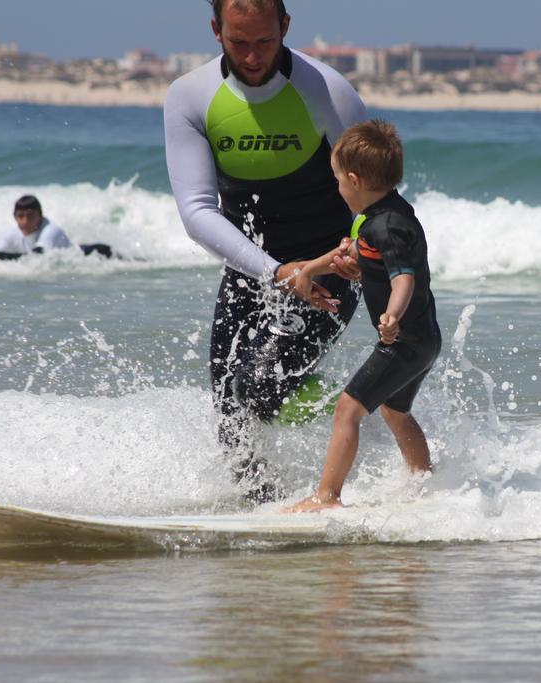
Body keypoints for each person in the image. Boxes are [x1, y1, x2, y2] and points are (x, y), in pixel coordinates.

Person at [164, 0, 368, 500]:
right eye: (238, 42)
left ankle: (337, 405)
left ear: (286, 27)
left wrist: (383, 268)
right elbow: (196, 211)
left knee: (256, 389)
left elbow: (377, 195)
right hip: (253, 268)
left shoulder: (328, 91)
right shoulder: (191, 96)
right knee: (230, 415)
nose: (253, 56)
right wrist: (274, 271)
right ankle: (261, 510)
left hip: (328, 272)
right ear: (216, 30)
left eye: (264, 42)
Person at [284, 120, 441, 512]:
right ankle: (427, 484)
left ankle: (327, 497)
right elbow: (350, 252)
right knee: (395, 410)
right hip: (423, 340)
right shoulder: (383, 213)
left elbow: (403, 277)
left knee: (347, 409)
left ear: (354, 180)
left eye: (337, 179)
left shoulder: (388, 226)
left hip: (403, 340)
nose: (336, 187)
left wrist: (391, 314)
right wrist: (306, 270)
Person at [0, 195, 114, 260]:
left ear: (40, 215)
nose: (25, 221)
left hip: (95, 253)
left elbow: (36, 257)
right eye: (20, 216)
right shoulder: (14, 233)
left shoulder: (51, 230)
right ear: (14, 216)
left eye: (30, 216)